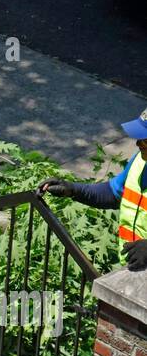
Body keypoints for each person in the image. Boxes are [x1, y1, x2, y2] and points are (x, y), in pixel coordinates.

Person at [38, 109, 147, 271]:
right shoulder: (140, 162)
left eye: (145, 140)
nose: (138, 144)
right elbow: (112, 193)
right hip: (133, 270)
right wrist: (73, 189)